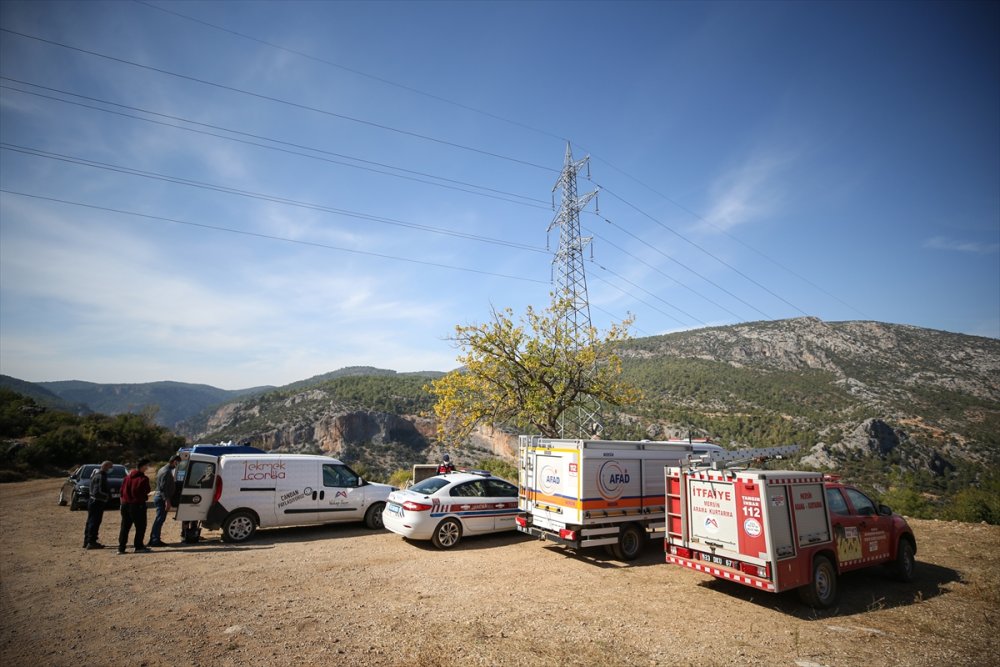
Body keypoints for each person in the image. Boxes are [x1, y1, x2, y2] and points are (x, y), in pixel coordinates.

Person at [118, 459, 152, 554]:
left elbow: (121, 491)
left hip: (125, 504)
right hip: (137, 505)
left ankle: (121, 548)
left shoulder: (127, 478)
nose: (147, 468)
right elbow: (146, 491)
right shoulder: (143, 479)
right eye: (146, 466)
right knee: (140, 526)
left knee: (125, 527)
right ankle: (138, 546)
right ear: (142, 467)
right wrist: (145, 496)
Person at [149, 455, 180, 547]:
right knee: (159, 519)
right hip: (162, 498)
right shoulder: (166, 471)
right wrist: (167, 500)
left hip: (160, 497)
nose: (178, 465)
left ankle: (154, 539)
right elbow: (163, 488)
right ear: (174, 461)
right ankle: (155, 540)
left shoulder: (163, 469)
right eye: (178, 463)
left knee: (159, 519)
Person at [83, 460, 114, 549]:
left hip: (93, 501)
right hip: (97, 502)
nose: (111, 469)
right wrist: (107, 497)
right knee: (94, 522)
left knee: (90, 521)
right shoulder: (100, 476)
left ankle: (87, 541)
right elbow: (97, 491)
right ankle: (91, 542)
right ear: (106, 466)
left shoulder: (96, 475)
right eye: (110, 467)